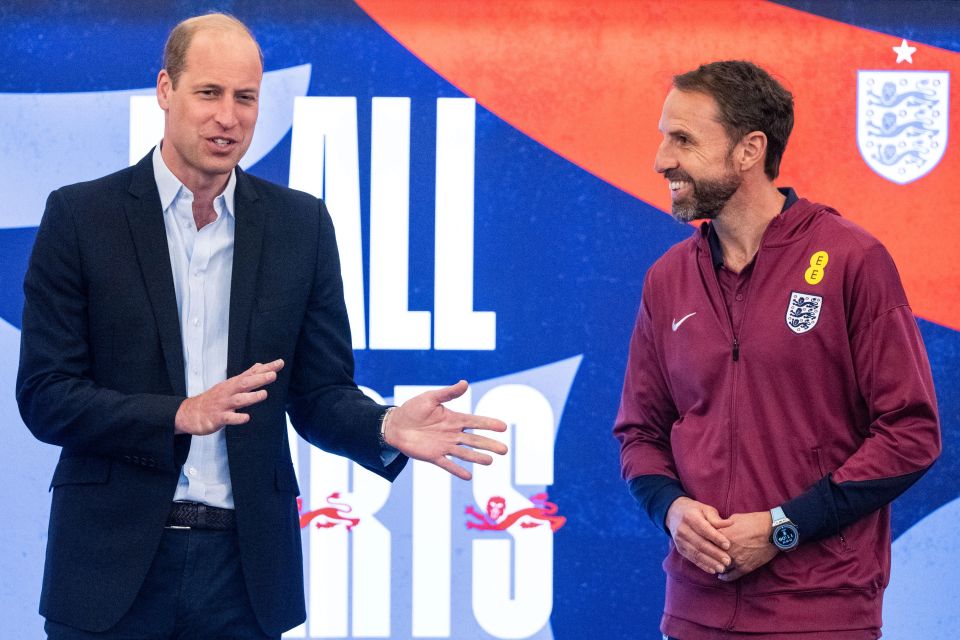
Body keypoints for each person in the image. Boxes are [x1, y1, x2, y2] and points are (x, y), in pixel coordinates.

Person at [16, 13, 507, 640]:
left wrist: (383, 424)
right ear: (165, 89)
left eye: (245, 97)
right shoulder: (81, 217)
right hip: (109, 568)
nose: (229, 116)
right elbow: (46, 396)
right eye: (209, 93)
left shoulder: (300, 227)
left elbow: (320, 394)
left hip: (244, 574)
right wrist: (176, 413)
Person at [613, 60, 940, 639]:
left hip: (820, 611)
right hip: (695, 610)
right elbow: (640, 431)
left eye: (683, 139)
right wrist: (671, 507)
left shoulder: (851, 260)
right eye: (664, 137)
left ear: (749, 150)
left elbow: (910, 432)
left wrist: (783, 527)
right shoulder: (667, 279)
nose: (662, 159)